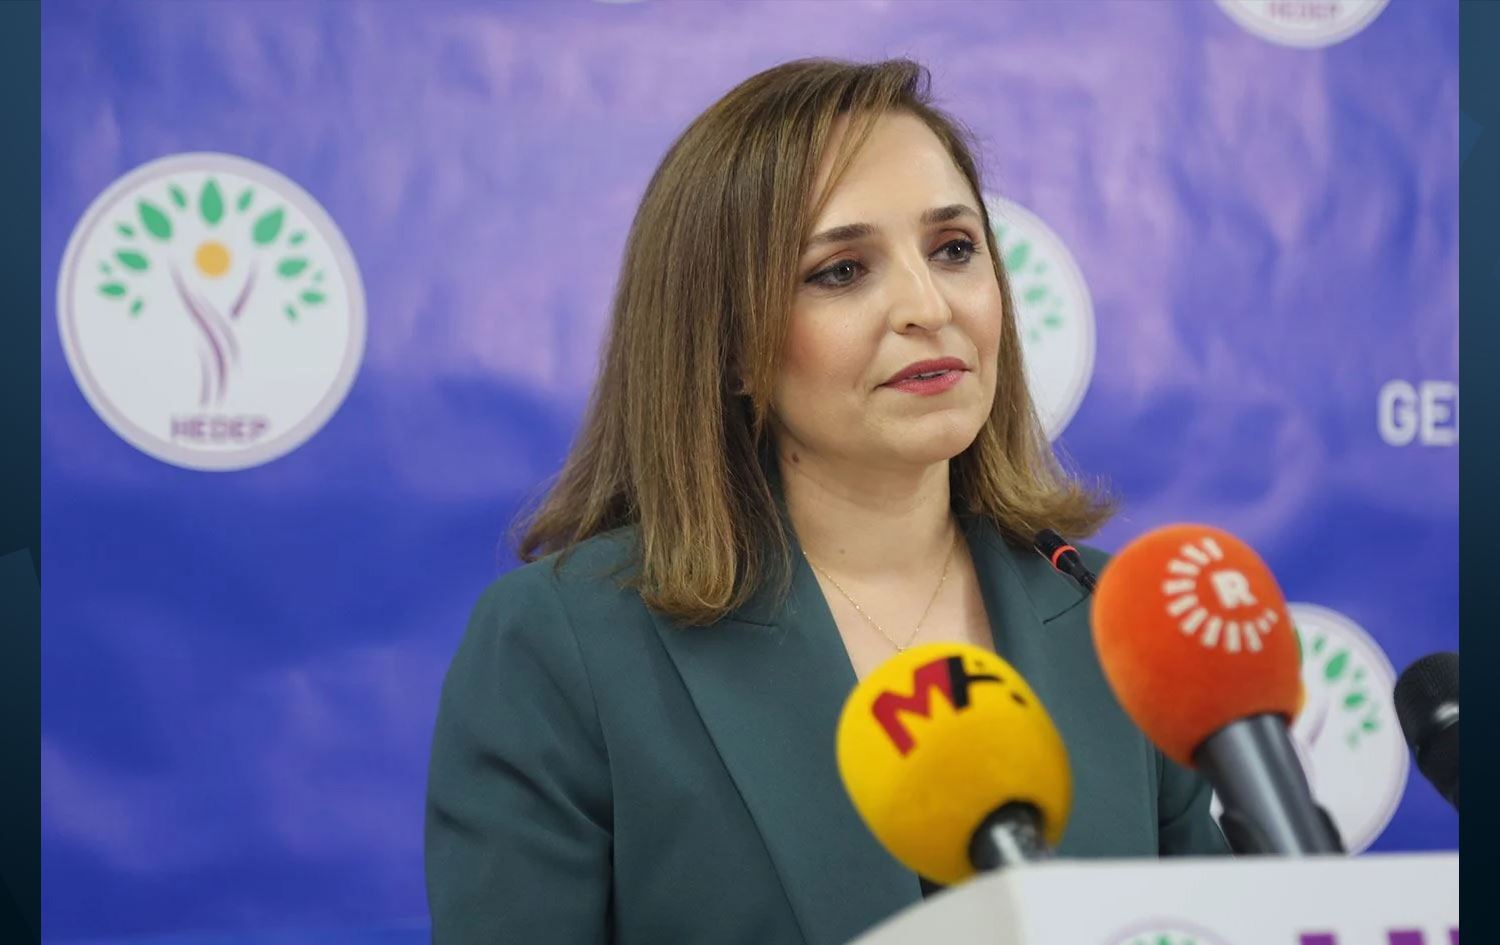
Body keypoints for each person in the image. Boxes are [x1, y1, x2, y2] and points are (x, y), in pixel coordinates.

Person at [425, 57, 1229, 945]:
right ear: (729, 344)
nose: (928, 306)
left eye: (953, 249)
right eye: (842, 270)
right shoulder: (561, 644)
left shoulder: (1116, 621)